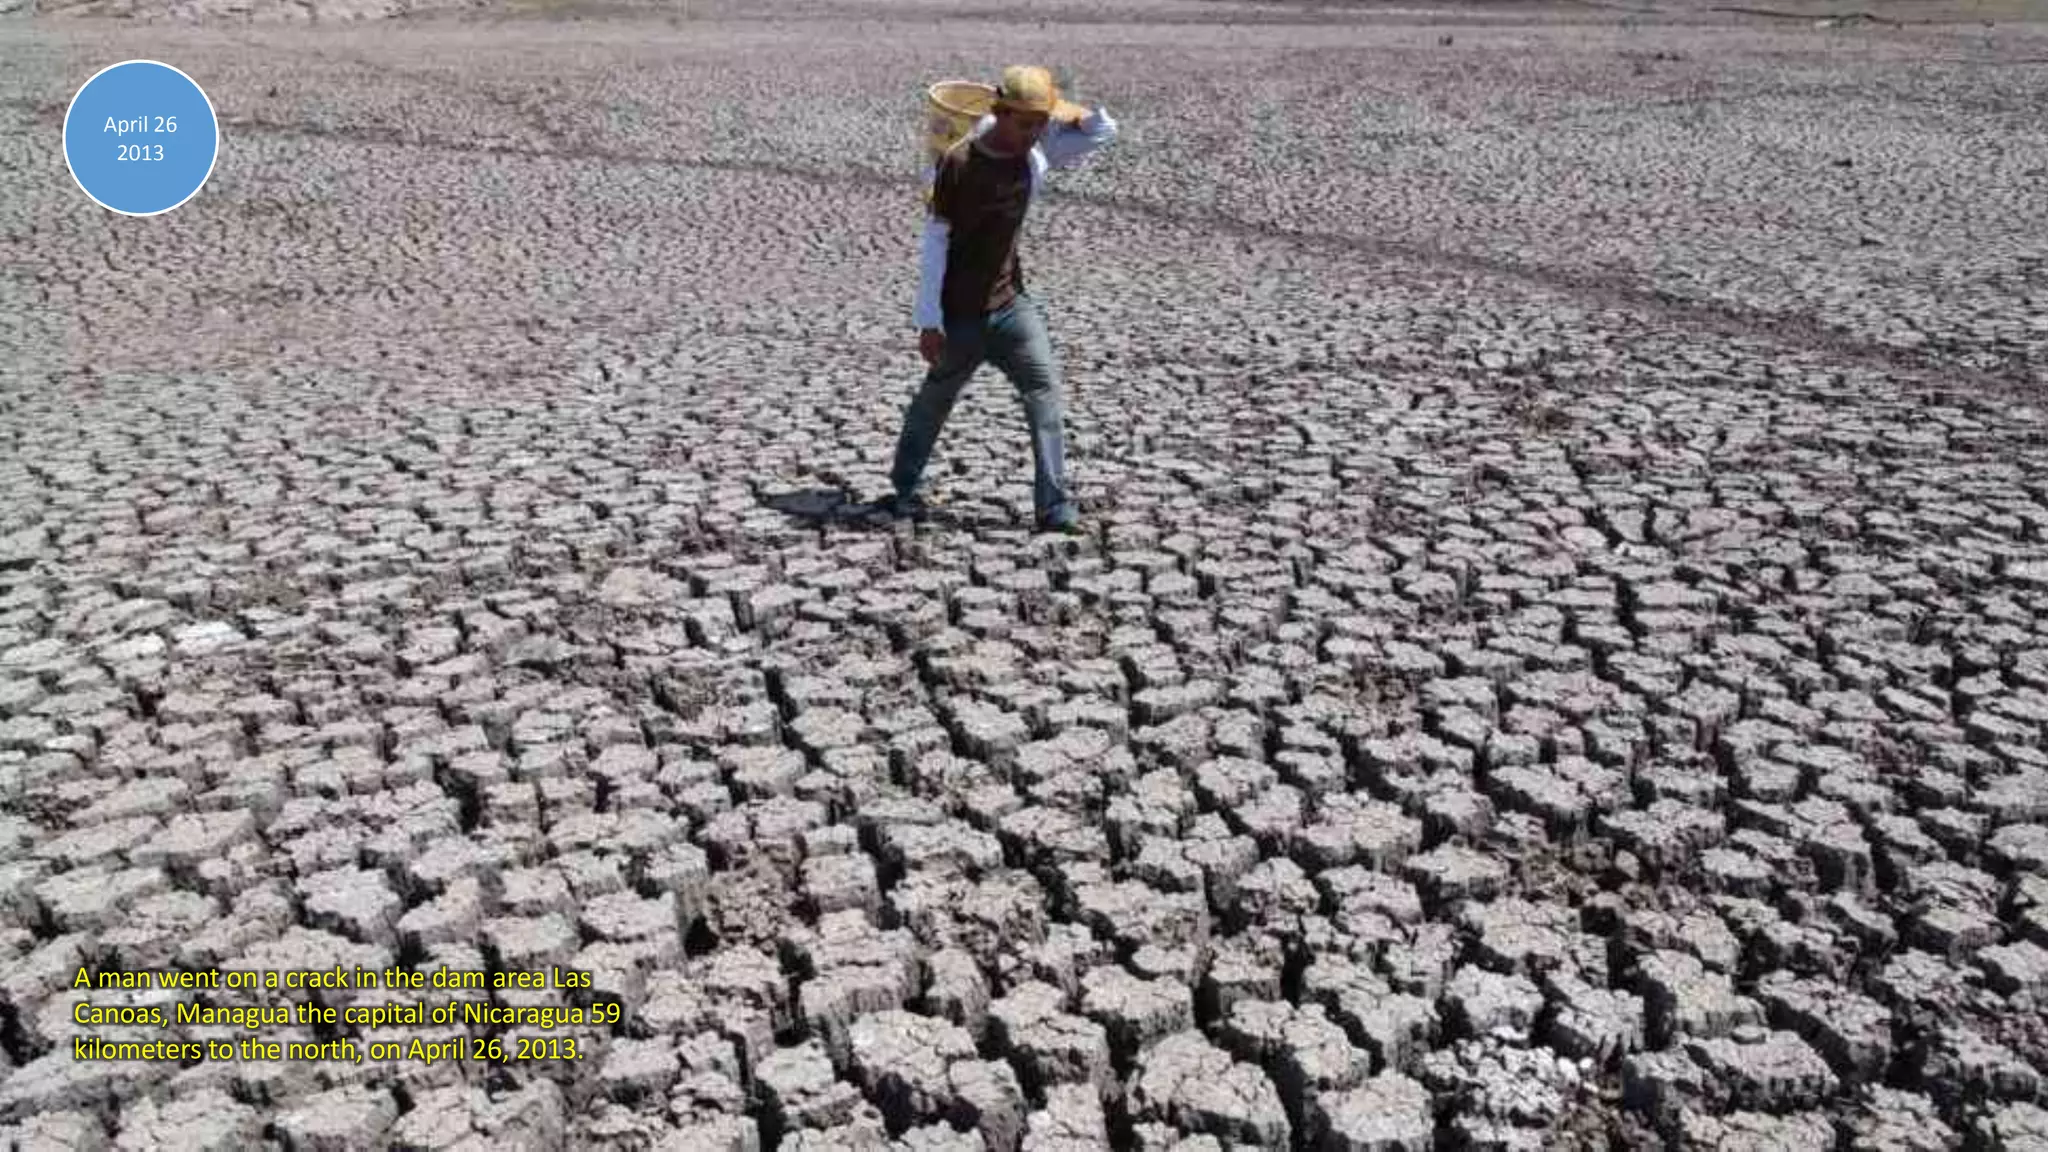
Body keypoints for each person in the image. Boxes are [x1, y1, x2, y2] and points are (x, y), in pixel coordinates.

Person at [886, 64, 1119, 534]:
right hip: (961, 315)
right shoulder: (957, 162)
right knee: (937, 397)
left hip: (1012, 305)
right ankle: (904, 485)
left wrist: (1067, 113)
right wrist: (929, 321)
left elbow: (1103, 132)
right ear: (1000, 113)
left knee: (1044, 391)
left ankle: (1053, 506)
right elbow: (935, 242)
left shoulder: (1037, 152)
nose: (1033, 133)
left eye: (1040, 123)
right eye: (1025, 122)